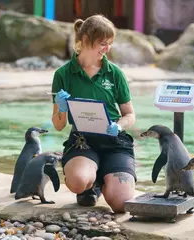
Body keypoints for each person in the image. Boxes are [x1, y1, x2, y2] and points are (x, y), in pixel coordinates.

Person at [51, 14, 137, 213]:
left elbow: (130, 114)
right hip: (82, 141)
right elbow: (58, 125)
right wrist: (61, 108)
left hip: (114, 141)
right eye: (103, 43)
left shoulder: (115, 73)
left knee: (121, 203)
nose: (107, 49)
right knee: (77, 181)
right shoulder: (63, 74)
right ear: (85, 40)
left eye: (110, 44)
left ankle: (104, 179)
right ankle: (90, 184)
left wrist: (119, 126)